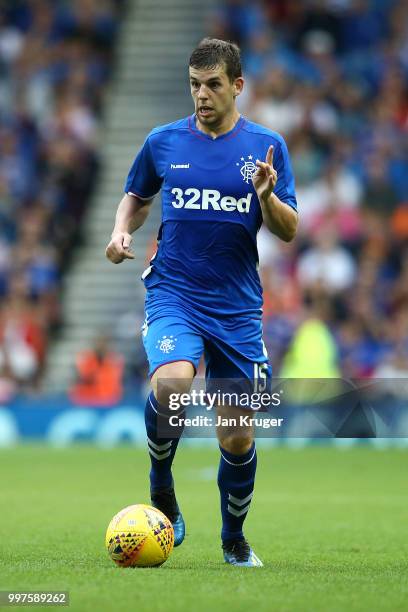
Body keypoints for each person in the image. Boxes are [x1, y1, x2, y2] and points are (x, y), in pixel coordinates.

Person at [105, 38, 298, 567]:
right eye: (194, 84)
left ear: (238, 85)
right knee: (172, 383)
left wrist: (266, 198)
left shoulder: (267, 146)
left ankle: (233, 538)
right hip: (175, 292)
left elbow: (289, 229)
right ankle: (160, 484)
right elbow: (136, 198)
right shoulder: (164, 141)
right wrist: (121, 231)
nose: (202, 95)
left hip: (236, 309)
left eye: (213, 84)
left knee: (237, 436)